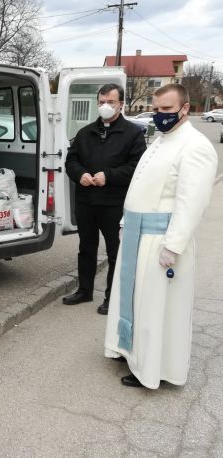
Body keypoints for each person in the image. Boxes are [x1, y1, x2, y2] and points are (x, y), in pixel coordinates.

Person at [104, 83, 218, 389]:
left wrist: (174, 245)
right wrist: (127, 221)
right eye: (156, 109)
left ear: (185, 108)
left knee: (153, 307)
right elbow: (139, 187)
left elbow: (191, 203)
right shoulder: (159, 140)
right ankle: (127, 349)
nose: (160, 115)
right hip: (137, 237)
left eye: (166, 109)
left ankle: (150, 368)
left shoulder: (195, 145)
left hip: (161, 241)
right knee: (131, 299)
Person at [63, 83, 146, 315]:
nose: (105, 106)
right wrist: (80, 174)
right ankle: (84, 290)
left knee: (115, 252)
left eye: (110, 102)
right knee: (86, 248)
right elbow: (71, 161)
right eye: (101, 102)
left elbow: (137, 167)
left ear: (121, 103)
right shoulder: (86, 132)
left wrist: (108, 176)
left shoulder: (133, 134)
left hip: (114, 204)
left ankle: (112, 297)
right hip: (86, 202)